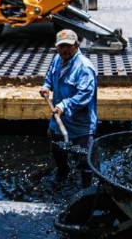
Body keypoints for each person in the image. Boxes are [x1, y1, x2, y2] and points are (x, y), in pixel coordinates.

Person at [40, 29, 98, 183]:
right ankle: (62, 175)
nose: (64, 50)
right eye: (61, 46)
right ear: (56, 47)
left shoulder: (84, 67)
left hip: (81, 125)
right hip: (59, 121)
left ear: (76, 45)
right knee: (58, 152)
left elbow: (85, 95)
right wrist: (46, 87)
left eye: (68, 46)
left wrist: (64, 105)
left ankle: (86, 190)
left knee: (85, 163)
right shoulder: (57, 59)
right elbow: (49, 78)